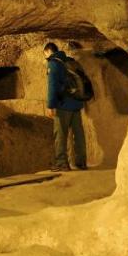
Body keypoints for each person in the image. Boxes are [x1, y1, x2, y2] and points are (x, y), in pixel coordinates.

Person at [44, 42, 87, 171]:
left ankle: (61, 163)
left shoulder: (53, 63)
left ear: (48, 51)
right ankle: (81, 162)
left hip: (63, 105)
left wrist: (50, 105)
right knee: (78, 134)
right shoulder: (69, 61)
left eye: (45, 54)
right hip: (77, 103)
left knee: (60, 135)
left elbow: (52, 86)